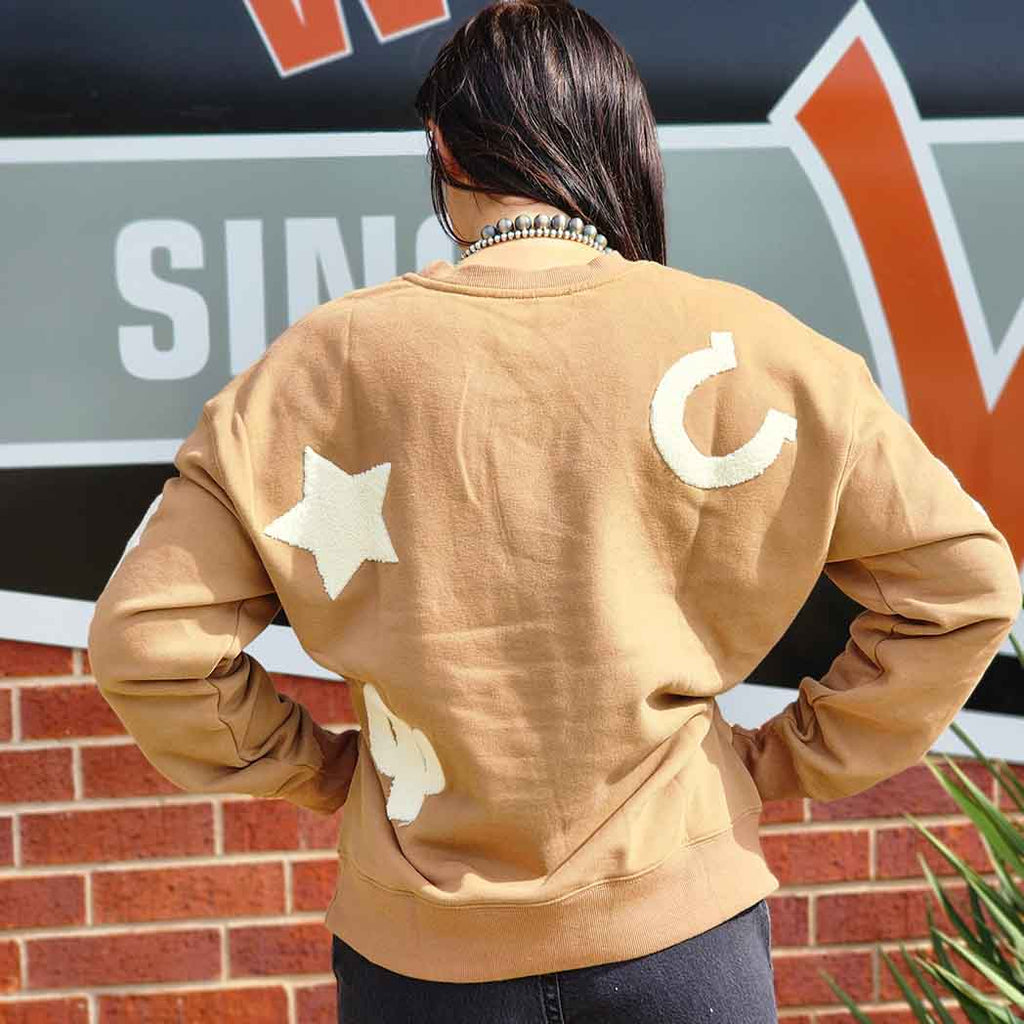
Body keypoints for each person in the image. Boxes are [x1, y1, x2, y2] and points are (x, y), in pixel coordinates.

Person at [86, 1, 1022, 1022]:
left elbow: (148, 641)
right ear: (621, 142)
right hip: (684, 940)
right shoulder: (756, 346)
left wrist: (328, 775)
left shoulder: (321, 364)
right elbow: (964, 588)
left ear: (445, 149)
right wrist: (781, 759)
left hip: (419, 963)